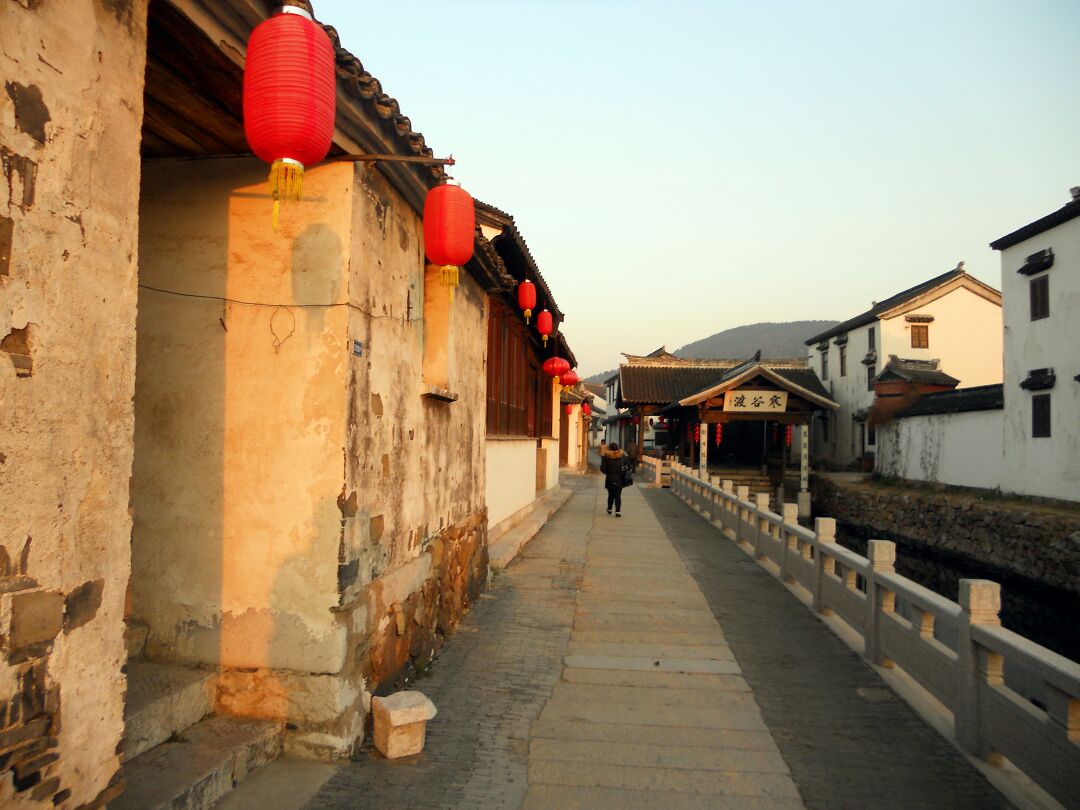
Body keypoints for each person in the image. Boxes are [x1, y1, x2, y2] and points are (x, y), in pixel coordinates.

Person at [600, 442, 630, 517]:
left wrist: (608, 472)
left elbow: (602, 469)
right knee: (618, 496)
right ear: (618, 448)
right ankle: (618, 512)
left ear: (609, 448)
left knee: (610, 495)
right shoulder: (622, 457)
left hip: (609, 478)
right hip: (619, 479)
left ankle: (609, 509)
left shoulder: (606, 457)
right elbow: (629, 466)